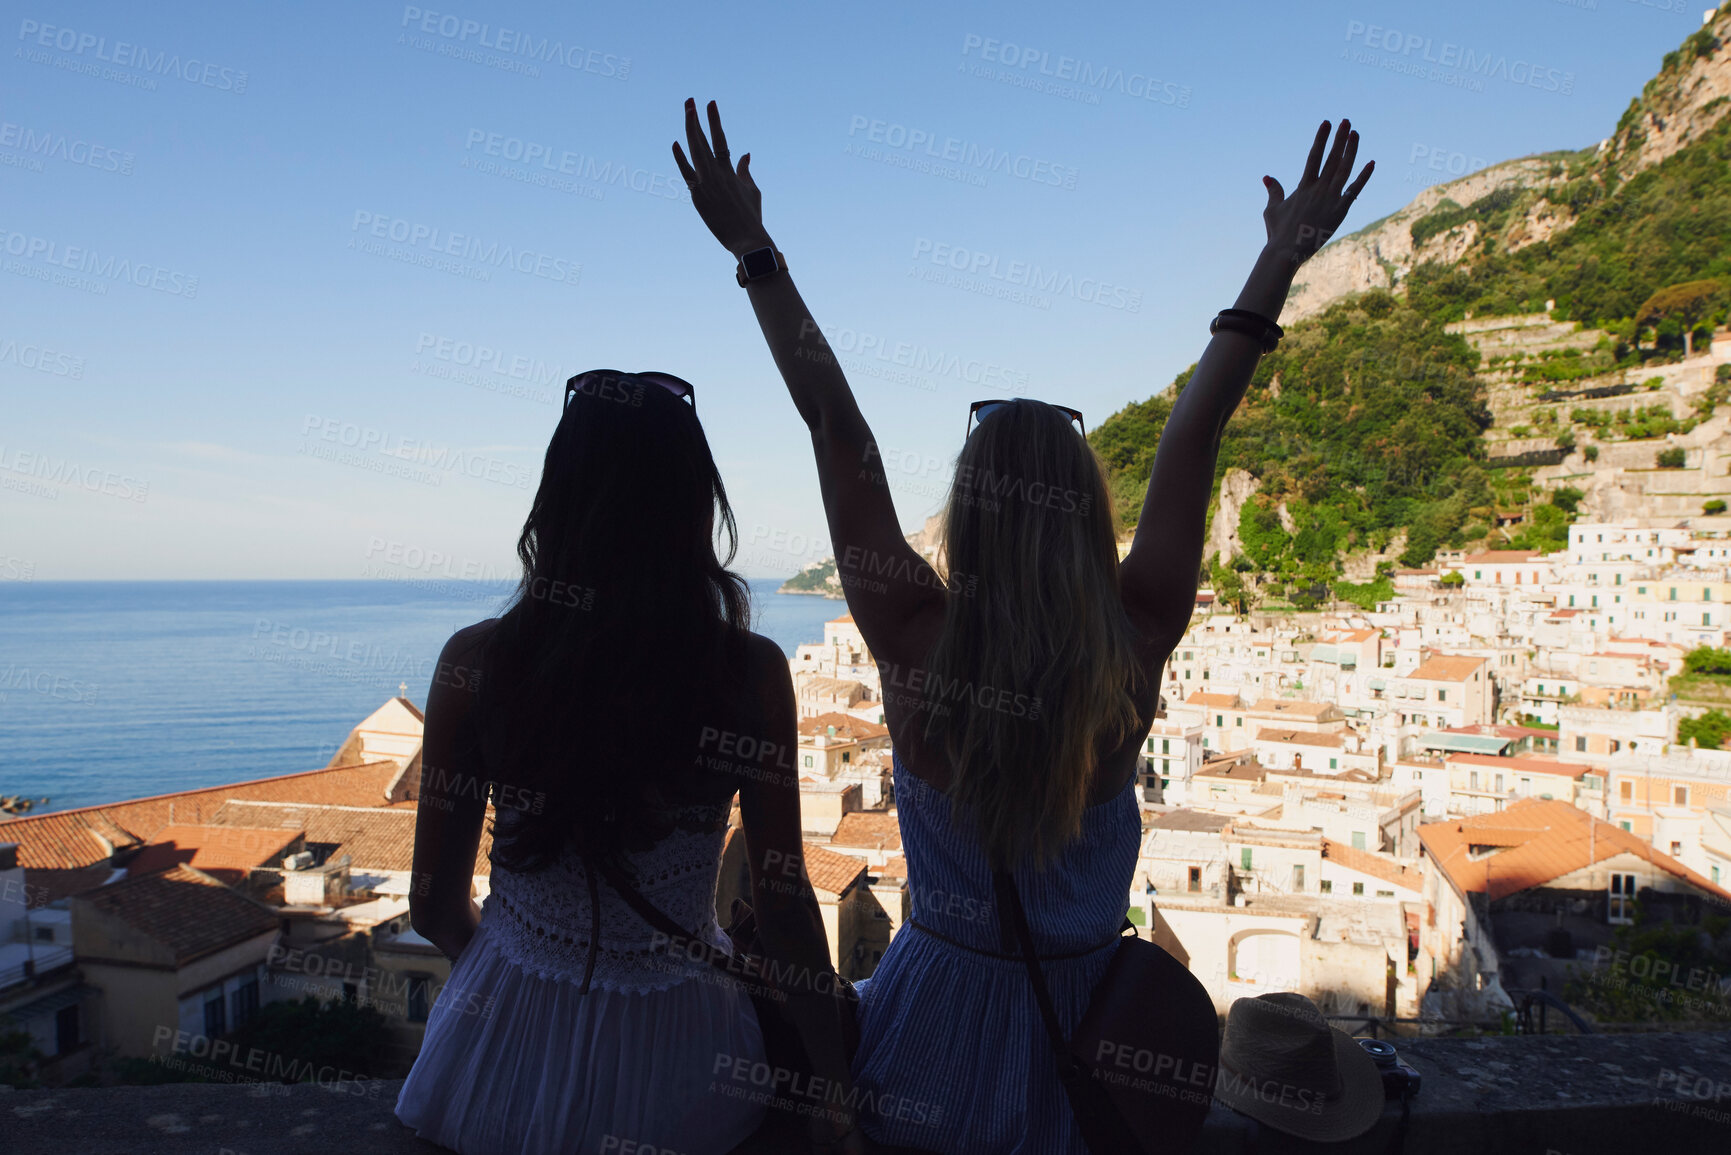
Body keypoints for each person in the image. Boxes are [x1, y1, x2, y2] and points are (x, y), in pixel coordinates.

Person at [675, 98, 1371, 1151]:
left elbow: (834, 421)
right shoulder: (1134, 642)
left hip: (922, 1038)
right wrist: (1279, 261)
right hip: (1090, 1046)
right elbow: (1196, 434)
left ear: (968, 513)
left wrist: (755, 252)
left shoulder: (912, 636)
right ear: (1087, 510)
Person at [395, 371, 860, 1154]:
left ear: (555, 503)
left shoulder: (476, 664)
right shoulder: (744, 674)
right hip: (683, 1052)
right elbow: (782, 903)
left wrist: (519, 976)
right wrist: (835, 1094)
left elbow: (433, 906)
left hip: (493, 1055)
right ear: (693, 507)